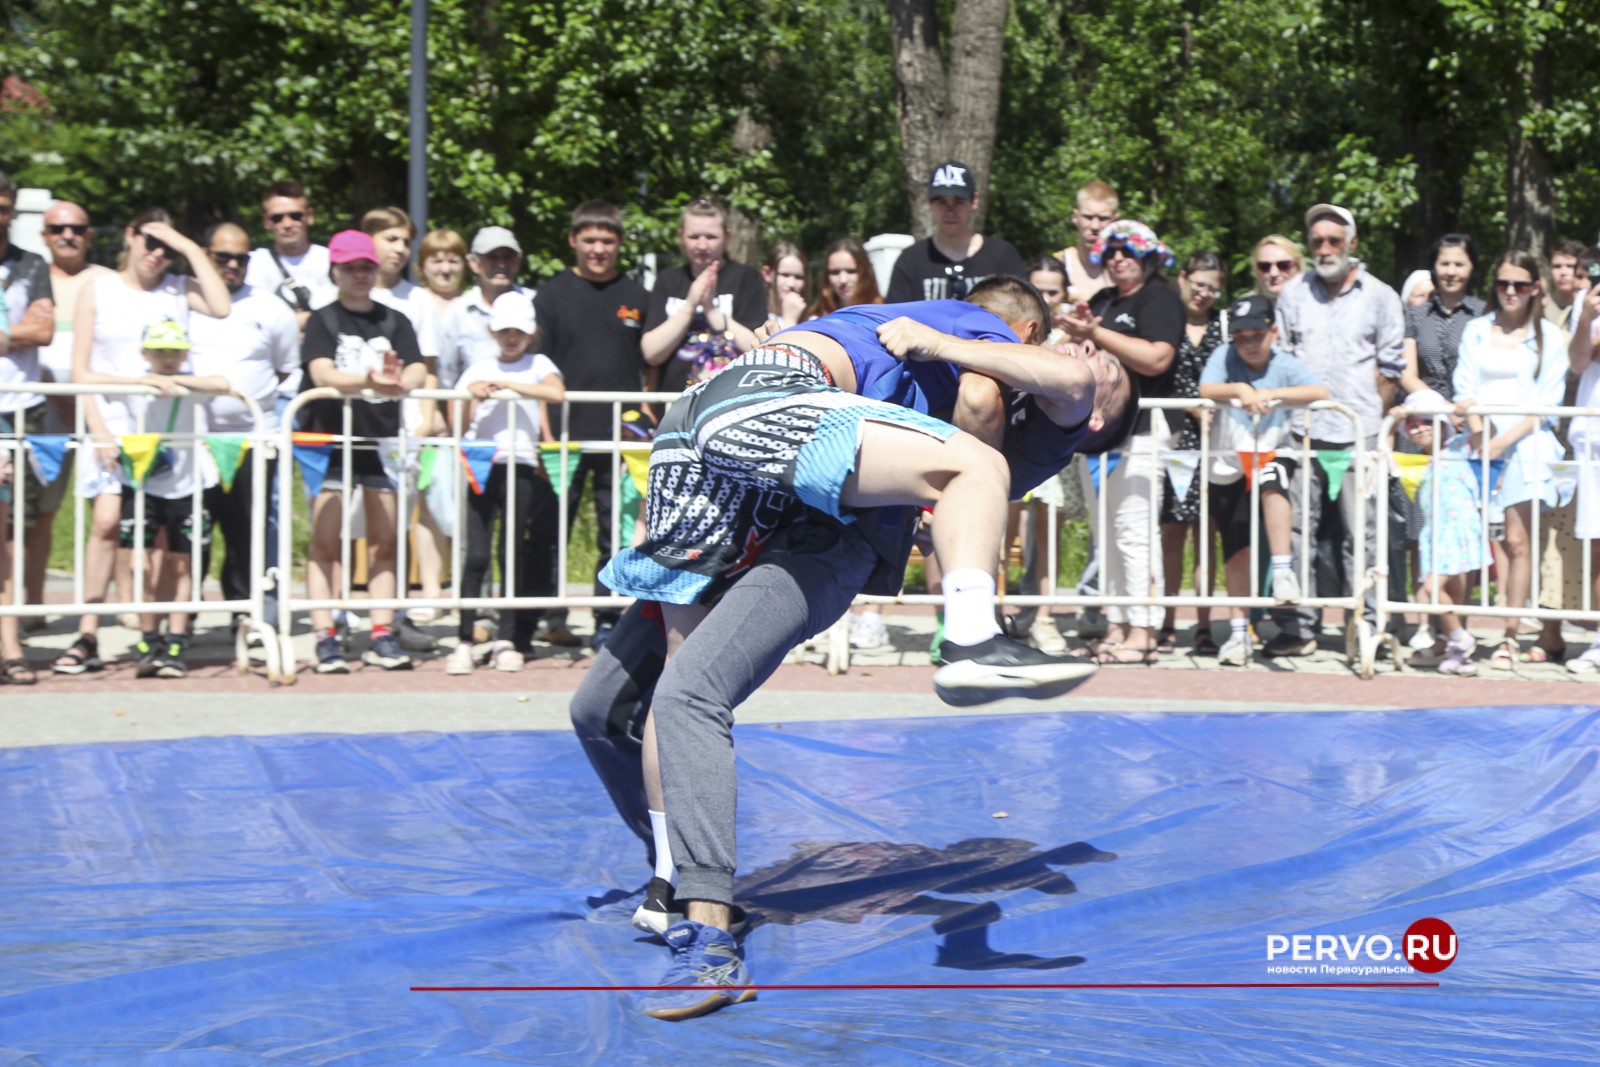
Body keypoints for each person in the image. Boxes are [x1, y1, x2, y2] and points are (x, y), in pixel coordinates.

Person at [572, 283, 1129, 1020]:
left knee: (687, 694)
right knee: (604, 708)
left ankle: (703, 926)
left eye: (1108, 372)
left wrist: (941, 344)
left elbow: (1045, 389)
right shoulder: (920, 354)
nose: (1091, 349)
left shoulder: (1008, 387)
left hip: (788, 490)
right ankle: (675, 878)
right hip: (738, 436)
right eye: (1076, 340)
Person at [54, 208, 230, 675]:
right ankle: (88, 632)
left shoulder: (178, 288)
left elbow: (221, 304)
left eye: (166, 248)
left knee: (164, 543)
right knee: (107, 524)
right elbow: (82, 370)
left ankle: (160, 633)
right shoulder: (99, 287)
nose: (157, 255)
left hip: (169, 434)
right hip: (113, 425)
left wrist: (189, 246)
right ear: (129, 237)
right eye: (150, 242)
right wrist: (100, 431)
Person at [1262, 204, 1404, 657]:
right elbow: (1280, 362)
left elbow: (1392, 367)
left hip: (1358, 431)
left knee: (1362, 534)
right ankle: (1298, 629)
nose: (1324, 249)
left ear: (1352, 244)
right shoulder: (1292, 295)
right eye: (1317, 241)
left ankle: (1367, 627)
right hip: (1302, 429)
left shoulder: (1380, 295)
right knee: (1298, 530)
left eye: (1334, 241)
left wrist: (1368, 421)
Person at [298, 230, 428, 674]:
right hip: (330, 441)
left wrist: (398, 382)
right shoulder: (322, 320)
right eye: (350, 266)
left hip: (379, 440)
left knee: (384, 541)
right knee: (325, 540)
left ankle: (381, 632)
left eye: (366, 266)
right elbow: (320, 372)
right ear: (334, 270)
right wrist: (371, 382)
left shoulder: (394, 320)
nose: (359, 274)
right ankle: (326, 635)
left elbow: (415, 370)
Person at [1058, 220, 1185, 663]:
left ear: (1149, 257)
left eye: (1126, 252)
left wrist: (1093, 333)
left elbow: (1157, 358)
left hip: (1145, 429)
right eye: (1109, 252)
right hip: (1099, 432)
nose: (1116, 259)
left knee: (1134, 530)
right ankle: (1116, 626)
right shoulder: (1102, 300)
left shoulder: (1161, 298)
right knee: (1105, 533)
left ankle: (1144, 631)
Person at [530, 200, 651, 650]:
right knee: (548, 531)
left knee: (614, 532)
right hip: (563, 436)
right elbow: (536, 365)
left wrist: (645, 418)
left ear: (619, 244)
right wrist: (544, 435)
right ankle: (546, 614)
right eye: (589, 240)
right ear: (573, 241)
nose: (598, 249)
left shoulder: (638, 295)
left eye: (607, 240)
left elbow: (649, 364)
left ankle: (607, 617)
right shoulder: (551, 295)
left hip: (622, 437)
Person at [1452, 250, 1568, 670]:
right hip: (1476, 442)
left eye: (1520, 284)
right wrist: (1483, 437)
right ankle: (1456, 636)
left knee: (1516, 543)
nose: (1511, 292)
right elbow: (1464, 385)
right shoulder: (1476, 329)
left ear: (1535, 287)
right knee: (1467, 543)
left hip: (1527, 447)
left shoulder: (1550, 337)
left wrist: (1504, 443)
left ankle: (1511, 636)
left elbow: (1549, 403)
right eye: (1503, 283)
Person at [1197, 295, 1329, 664]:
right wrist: (1240, 390)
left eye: (1257, 334)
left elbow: (1319, 392)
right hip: (1227, 460)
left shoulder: (1284, 363)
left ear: (1273, 332)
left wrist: (1273, 394)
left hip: (1272, 451)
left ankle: (1284, 572)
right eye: (1240, 337)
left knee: (1273, 483)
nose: (1249, 344)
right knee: (1236, 550)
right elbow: (1206, 389)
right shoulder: (1223, 358)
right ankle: (1239, 634)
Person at [188, 222, 299, 636]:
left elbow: (286, 366)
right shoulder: (185, 298)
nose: (233, 265)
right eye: (223, 257)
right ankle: (184, 614)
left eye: (241, 258)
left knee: (245, 529)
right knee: (193, 527)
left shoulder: (271, 308)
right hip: (194, 436)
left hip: (254, 437)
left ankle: (243, 609)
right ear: (206, 254)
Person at [446, 291, 565, 674]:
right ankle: (464, 638)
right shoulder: (477, 367)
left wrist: (510, 387)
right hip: (482, 462)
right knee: (476, 554)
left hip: (522, 464)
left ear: (531, 334)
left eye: (519, 331)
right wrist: (474, 397)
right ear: (492, 332)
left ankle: (507, 638)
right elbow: (457, 423)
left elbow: (555, 391)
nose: (511, 337)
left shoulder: (538, 362)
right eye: (504, 331)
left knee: (510, 552)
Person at [121, 320, 228, 680]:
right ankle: (149, 640)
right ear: (144, 353)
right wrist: (144, 382)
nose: (167, 360)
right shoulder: (135, 382)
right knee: (145, 566)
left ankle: (177, 641)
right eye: (159, 352)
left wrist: (178, 383)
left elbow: (222, 384)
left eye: (175, 352)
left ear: (185, 354)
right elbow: (90, 382)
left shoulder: (190, 382)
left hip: (189, 486)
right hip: (145, 485)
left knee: (183, 566)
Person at [1393, 234, 1484, 652]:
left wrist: (1462, 412)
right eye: (1444, 264)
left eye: (1459, 264)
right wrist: (1438, 407)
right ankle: (1430, 627)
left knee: (1459, 534)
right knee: (1422, 529)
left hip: (1468, 434)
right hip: (1423, 428)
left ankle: (1458, 627)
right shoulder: (1415, 316)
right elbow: (1407, 374)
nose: (1450, 272)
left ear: (1471, 268)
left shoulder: (1484, 313)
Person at [361, 207, 446, 637]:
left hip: (403, 428)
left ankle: (390, 618)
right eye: (390, 238)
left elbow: (427, 366)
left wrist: (427, 421)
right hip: (354, 426)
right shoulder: (342, 293)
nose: (400, 249)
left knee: (394, 526)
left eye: (404, 241)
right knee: (346, 524)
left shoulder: (417, 300)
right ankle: (341, 612)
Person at [1157, 251, 1227, 655]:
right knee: (1173, 536)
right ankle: (1167, 620)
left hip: (1216, 443)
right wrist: (1186, 405)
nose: (1203, 294)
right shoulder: (1166, 322)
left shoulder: (1225, 326)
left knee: (1207, 535)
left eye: (1212, 288)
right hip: (1174, 439)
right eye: (1198, 285)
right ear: (1182, 279)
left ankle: (1203, 626)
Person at [0, 173, 57, 635]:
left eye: (4, 207)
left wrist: (7, 336)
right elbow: (29, 328)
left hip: (22, 405)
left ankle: (14, 619)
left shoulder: (32, 264)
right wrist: (16, 334)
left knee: (23, 517)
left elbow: (43, 331)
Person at [641, 198, 766, 390]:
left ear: (726, 237)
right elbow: (651, 352)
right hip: (673, 404)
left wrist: (712, 311)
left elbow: (757, 348)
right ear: (681, 236)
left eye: (711, 237)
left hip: (727, 401)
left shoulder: (745, 277)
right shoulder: (668, 280)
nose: (702, 245)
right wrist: (690, 305)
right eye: (694, 237)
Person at [1401, 395, 1483, 676]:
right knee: (1450, 594)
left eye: (1427, 421)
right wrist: (1393, 421)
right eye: (1413, 424)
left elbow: (1480, 436)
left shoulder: (1459, 446)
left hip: (1458, 527)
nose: (1420, 428)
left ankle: (1459, 636)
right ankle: (1458, 650)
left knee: (1431, 589)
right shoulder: (1415, 462)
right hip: (1435, 532)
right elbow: (1384, 453)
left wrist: (1468, 410)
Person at [887, 163, 1027, 304]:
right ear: (929, 202)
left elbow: (1022, 313)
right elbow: (893, 319)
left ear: (974, 201)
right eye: (941, 202)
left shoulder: (1003, 256)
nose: (950, 211)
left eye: (958, 202)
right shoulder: (911, 261)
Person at [437, 227, 531, 390]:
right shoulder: (458, 313)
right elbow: (447, 379)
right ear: (474, 262)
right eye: (492, 257)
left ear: (517, 261)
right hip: (473, 412)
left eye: (507, 257)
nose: (501, 264)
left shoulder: (536, 303)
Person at [244, 181, 330, 330]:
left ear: (309, 216)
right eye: (277, 218)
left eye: (296, 216)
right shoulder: (250, 264)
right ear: (267, 222)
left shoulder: (332, 260)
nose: (287, 223)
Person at [1058, 180, 1120, 304]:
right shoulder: (1058, 264)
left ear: (1116, 220)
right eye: (1088, 217)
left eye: (1103, 218)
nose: (1095, 226)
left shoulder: (1124, 268)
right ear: (1076, 217)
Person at [806, 236, 883, 319]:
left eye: (851, 271)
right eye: (835, 272)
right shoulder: (815, 319)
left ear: (866, 273)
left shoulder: (883, 315)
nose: (843, 280)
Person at [417, 228, 468, 317]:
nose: (445, 269)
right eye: (437, 261)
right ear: (422, 265)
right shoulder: (411, 302)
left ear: (465, 265)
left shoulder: (477, 303)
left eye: (453, 261)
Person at [760, 241, 809, 331]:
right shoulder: (752, 315)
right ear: (767, 274)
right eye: (785, 275)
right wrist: (789, 321)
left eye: (799, 277)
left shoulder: (812, 320)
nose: (792, 284)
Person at [1546, 239, 1587, 336]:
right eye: (1557, 266)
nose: (1563, 272)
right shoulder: (1538, 304)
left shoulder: (1592, 307)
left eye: (1570, 266)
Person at [1248, 234, 1305, 304]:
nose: (1273, 273)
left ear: (1298, 267)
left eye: (1283, 265)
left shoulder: (1317, 307)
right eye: (1265, 266)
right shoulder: (1243, 309)